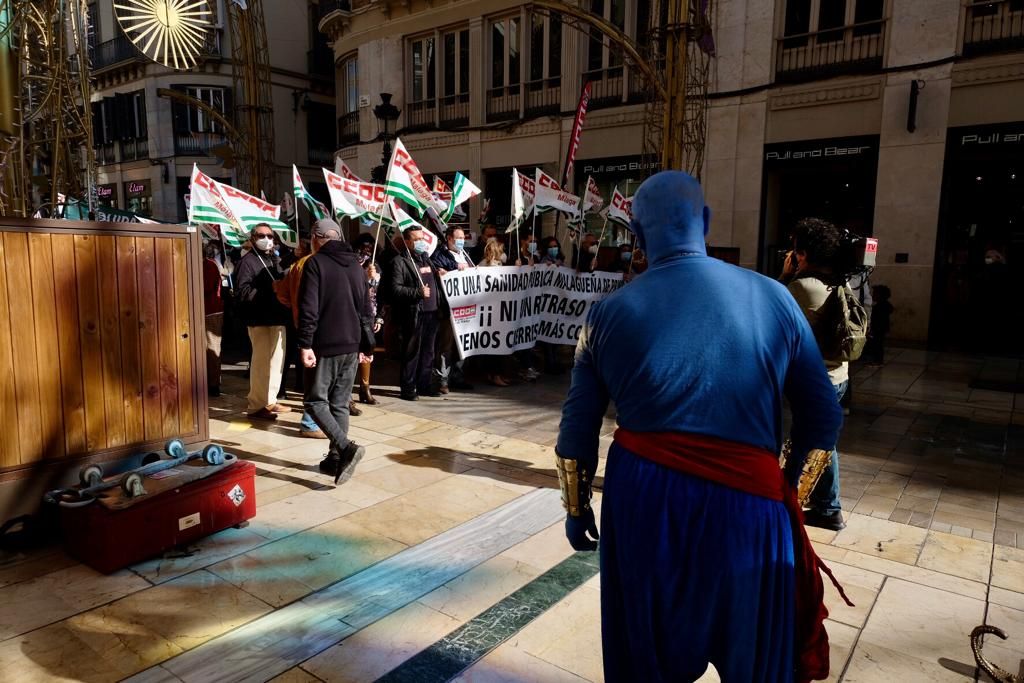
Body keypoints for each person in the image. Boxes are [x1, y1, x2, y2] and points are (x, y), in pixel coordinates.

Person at [557, 171, 844, 682]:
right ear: (706, 222)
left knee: (646, 663)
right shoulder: (777, 300)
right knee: (755, 665)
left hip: (644, 503)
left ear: (638, 239)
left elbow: (577, 433)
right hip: (751, 509)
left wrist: (576, 508)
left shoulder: (604, 317)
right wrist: (789, 494)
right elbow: (824, 418)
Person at [780, 217, 851, 532]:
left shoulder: (800, 287)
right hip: (839, 375)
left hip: (815, 380)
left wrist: (784, 275)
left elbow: (772, 315)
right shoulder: (840, 280)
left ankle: (797, 505)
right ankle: (827, 506)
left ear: (802, 252)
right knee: (824, 441)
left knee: (804, 443)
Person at [297, 219, 371, 484]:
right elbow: (367, 309)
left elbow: (309, 308)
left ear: (317, 238)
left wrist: (305, 343)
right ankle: (335, 459)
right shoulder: (355, 265)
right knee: (339, 403)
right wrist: (366, 344)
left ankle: (346, 447)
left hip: (325, 344)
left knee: (315, 401)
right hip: (351, 344)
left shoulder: (315, 264)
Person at [235, 224, 291, 420]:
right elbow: (242, 292)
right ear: (252, 238)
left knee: (277, 362)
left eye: (270, 235)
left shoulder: (274, 260)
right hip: (259, 319)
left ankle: (270, 399)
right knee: (261, 363)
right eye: (261, 235)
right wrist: (270, 291)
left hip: (277, 317)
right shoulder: (247, 262)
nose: (266, 238)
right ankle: (257, 405)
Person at [389, 226, 443, 400]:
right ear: (407, 242)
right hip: (414, 314)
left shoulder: (426, 259)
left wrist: (439, 273)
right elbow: (395, 290)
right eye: (416, 239)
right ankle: (408, 387)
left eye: (422, 238)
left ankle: (424, 384)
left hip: (432, 313)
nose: (421, 242)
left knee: (428, 352)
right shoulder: (400, 261)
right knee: (412, 352)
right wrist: (417, 293)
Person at [431, 227, 474, 394]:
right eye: (458, 238)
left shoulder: (466, 254)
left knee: (462, 344)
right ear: (449, 239)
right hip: (448, 309)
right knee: (446, 345)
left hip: (466, 308)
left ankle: (458, 376)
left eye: (463, 237)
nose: (462, 241)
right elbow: (439, 268)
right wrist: (456, 266)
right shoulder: (440, 254)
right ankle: (443, 379)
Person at [352, 233, 384, 405]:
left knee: (368, 350)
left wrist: (379, 317)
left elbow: (381, 294)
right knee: (352, 354)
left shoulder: (377, 265)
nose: (367, 249)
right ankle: (347, 394)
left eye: (371, 246)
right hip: (353, 315)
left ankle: (365, 388)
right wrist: (365, 276)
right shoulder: (352, 264)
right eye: (364, 246)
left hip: (370, 315)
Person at [202, 240, 225, 397]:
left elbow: (205, 287)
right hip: (205, 311)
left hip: (211, 312)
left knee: (212, 348)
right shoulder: (207, 264)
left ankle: (213, 384)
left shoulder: (208, 265)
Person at [866, 284, 893, 364]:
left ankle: (878, 361)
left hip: (879, 329)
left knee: (878, 345)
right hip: (880, 329)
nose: (873, 295)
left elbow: (877, 319)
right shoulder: (883, 306)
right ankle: (877, 360)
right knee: (878, 344)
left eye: (875, 294)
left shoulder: (880, 307)